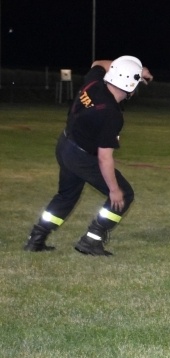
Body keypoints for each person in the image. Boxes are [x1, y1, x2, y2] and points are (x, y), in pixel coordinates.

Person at [24, 56, 153, 256]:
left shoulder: (95, 83)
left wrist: (136, 69)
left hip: (66, 145)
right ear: (131, 86)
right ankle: (92, 239)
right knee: (124, 194)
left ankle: (36, 239)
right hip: (82, 156)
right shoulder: (111, 114)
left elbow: (98, 63)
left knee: (66, 196)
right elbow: (104, 158)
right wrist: (114, 190)